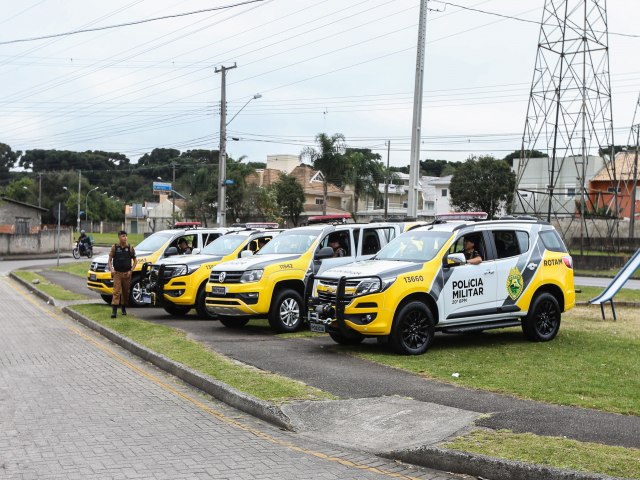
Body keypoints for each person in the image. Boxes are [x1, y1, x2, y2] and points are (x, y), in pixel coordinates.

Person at [108, 230, 137, 318]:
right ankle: (114, 311)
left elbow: (135, 261)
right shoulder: (115, 247)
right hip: (117, 273)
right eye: (123, 236)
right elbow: (109, 260)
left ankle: (123, 307)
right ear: (119, 237)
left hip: (127, 274)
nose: (125, 238)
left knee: (125, 292)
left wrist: (131, 271)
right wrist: (111, 269)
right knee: (116, 291)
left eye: (126, 236)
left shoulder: (130, 248)